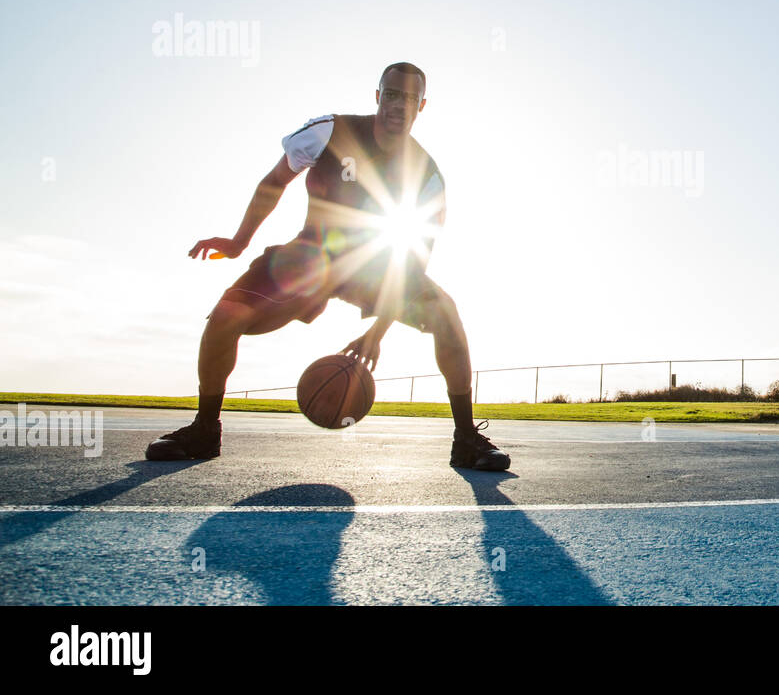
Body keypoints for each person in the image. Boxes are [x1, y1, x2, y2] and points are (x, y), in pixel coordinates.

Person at [145, 62, 510, 471]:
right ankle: (204, 429)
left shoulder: (426, 174)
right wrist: (238, 242)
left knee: (446, 313)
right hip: (310, 256)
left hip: (373, 267)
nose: (399, 105)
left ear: (422, 106)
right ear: (377, 96)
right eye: (391, 94)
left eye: (409, 98)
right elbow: (274, 182)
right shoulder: (330, 131)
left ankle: (465, 439)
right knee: (226, 315)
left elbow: (411, 258)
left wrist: (378, 330)